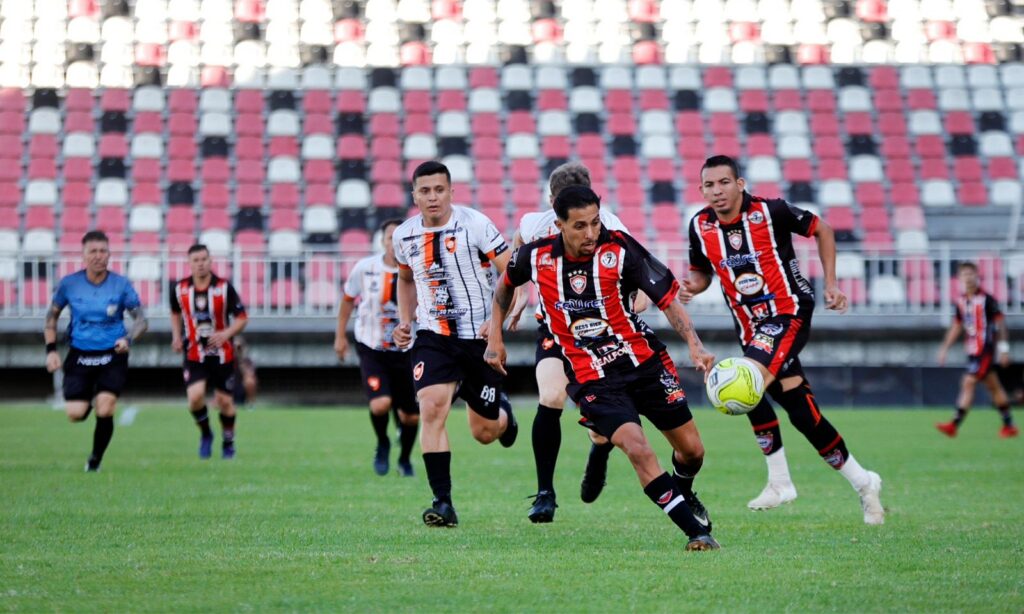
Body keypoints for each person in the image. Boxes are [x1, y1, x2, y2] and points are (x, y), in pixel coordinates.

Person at [486, 185, 719, 550]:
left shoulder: (620, 248)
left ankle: (683, 489)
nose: (591, 233)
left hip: (644, 362)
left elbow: (667, 298)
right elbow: (504, 287)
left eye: (595, 222)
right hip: (591, 376)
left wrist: (695, 343)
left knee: (693, 451)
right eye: (580, 226)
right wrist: (494, 338)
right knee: (637, 447)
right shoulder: (535, 256)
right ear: (559, 224)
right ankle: (696, 533)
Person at [681, 155, 884, 525]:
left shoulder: (770, 212)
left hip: (788, 313)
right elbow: (701, 272)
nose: (717, 191)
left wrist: (832, 284)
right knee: (803, 414)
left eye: (724, 182)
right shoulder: (699, 225)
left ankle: (780, 482)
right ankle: (864, 484)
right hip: (750, 329)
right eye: (709, 185)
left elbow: (822, 229)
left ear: (740, 184)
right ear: (701, 190)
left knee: (744, 382)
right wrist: (691, 286)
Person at [505, 161, 650, 523]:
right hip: (555, 331)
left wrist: (631, 306)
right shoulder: (534, 224)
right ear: (553, 204)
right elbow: (516, 263)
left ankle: (598, 453)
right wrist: (521, 297)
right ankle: (544, 493)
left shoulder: (612, 228)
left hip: (602, 339)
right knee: (551, 396)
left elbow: (641, 284)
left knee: (604, 432)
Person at [392, 160, 518, 528]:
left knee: (484, 433)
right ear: (414, 195)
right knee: (431, 408)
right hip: (434, 338)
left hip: (478, 339)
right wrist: (405, 319)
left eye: (439, 189)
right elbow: (405, 279)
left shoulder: (474, 224)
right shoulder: (404, 236)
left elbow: (512, 272)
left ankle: (505, 418)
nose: (432, 197)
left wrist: (501, 319)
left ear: (451, 192)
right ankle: (442, 502)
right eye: (425, 191)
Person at [44, 230, 148, 471]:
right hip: (79, 355)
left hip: (113, 355)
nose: (98, 256)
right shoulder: (69, 284)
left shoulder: (121, 285)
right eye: (93, 251)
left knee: (106, 406)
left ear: (109, 254)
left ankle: (95, 460)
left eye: (103, 251)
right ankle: (89, 396)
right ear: (83, 255)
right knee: (75, 414)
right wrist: (51, 350)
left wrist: (128, 338)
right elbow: (51, 318)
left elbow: (141, 320)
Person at [335, 217, 420, 477]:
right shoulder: (365, 268)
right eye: (389, 239)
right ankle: (382, 443)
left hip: (408, 351)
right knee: (380, 404)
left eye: (399, 239)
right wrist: (340, 336)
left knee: (410, 417)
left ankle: (405, 459)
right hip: (372, 348)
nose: (394, 245)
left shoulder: (417, 270)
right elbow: (348, 300)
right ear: (383, 241)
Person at [170, 244, 248, 459]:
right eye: (196, 260)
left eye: (204, 259)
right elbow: (175, 312)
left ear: (210, 261)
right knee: (195, 398)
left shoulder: (224, 288)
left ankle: (228, 442)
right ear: (189, 263)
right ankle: (206, 434)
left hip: (222, 353)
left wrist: (226, 333)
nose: (201, 264)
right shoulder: (180, 289)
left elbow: (242, 317)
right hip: (194, 352)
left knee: (225, 402)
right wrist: (176, 336)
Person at [936, 261, 1018, 438]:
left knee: (968, 382)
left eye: (971, 274)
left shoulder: (987, 300)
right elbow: (957, 326)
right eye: (964, 274)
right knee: (993, 386)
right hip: (972, 351)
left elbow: (1000, 324)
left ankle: (954, 424)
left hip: (985, 350)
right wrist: (944, 348)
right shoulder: (961, 301)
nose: (968, 277)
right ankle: (1009, 424)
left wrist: (1004, 349)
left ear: (976, 276)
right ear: (960, 278)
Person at [231, 334, 258, 408]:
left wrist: (240, 359)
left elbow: (250, 374)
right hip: (228, 388)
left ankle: (250, 404)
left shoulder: (247, 360)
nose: (237, 349)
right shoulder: (226, 359)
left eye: (240, 347)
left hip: (241, 389)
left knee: (250, 381)